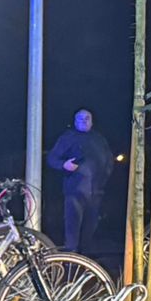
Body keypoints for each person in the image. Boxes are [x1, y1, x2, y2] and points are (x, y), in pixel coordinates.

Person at [46, 107, 114, 254]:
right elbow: (52, 158)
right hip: (74, 192)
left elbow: (109, 159)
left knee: (90, 229)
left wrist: (105, 177)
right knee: (72, 229)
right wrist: (64, 165)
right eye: (80, 119)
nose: (84, 121)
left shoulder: (99, 139)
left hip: (96, 193)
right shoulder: (67, 138)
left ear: (92, 121)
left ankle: (87, 262)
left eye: (87, 118)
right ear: (75, 121)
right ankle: (71, 259)